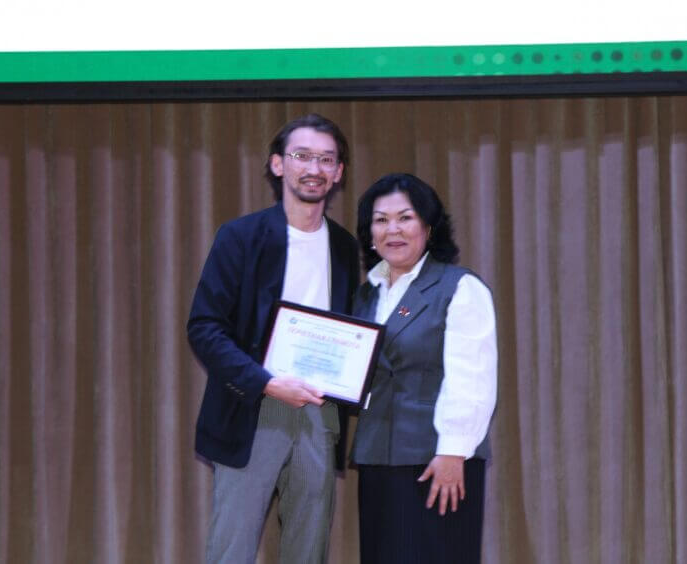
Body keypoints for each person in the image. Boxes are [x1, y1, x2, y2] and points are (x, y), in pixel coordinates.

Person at [186, 114, 359, 564]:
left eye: (327, 159)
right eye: (302, 156)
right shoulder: (240, 237)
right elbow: (204, 327)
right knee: (232, 550)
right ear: (278, 164)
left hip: (320, 413)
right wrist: (265, 382)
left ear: (339, 172)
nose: (314, 168)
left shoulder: (344, 247)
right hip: (253, 409)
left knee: (308, 549)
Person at [350, 173, 498, 564]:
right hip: (378, 459)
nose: (392, 229)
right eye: (381, 220)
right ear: (369, 234)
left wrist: (453, 453)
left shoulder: (459, 287)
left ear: (429, 228)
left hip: (435, 462)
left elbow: (472, 378)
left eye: (406, 217)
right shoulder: (367, 294)